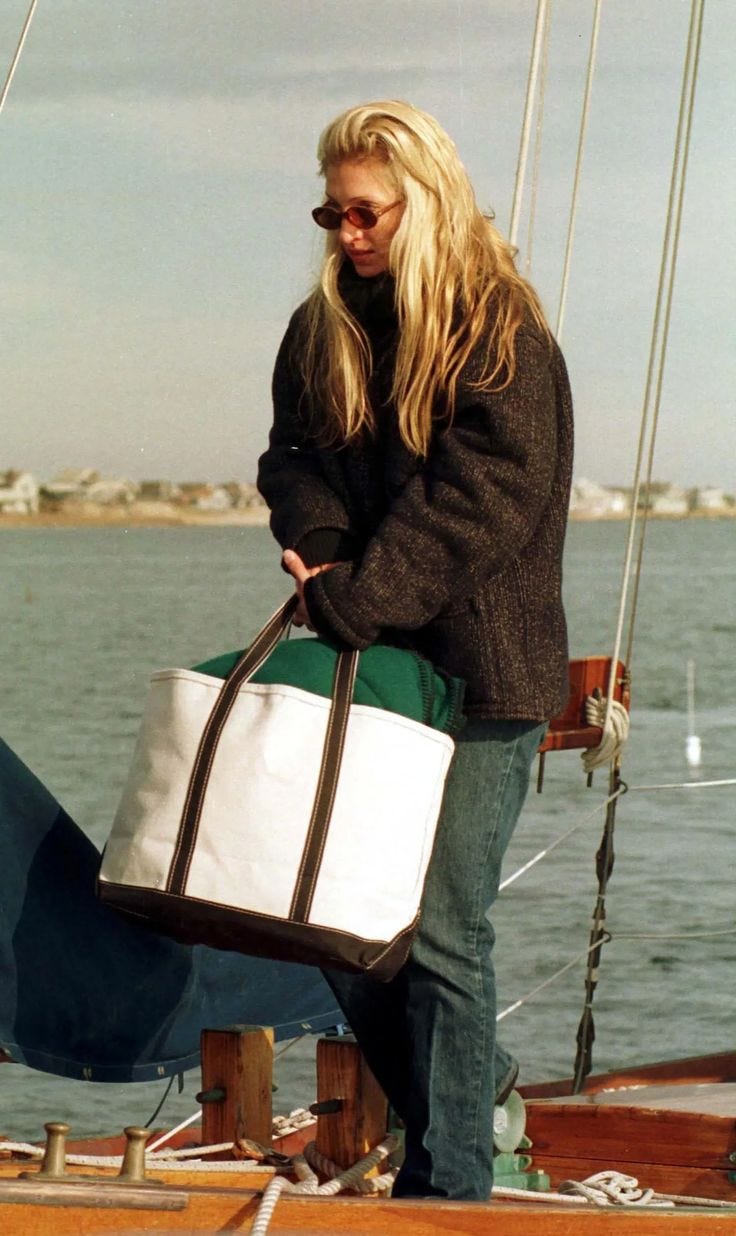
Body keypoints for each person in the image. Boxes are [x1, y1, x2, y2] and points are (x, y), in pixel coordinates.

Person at [257, 99, 573, 1201]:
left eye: (365, 214)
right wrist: (326, 551)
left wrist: (363, 594)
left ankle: (452, 1191)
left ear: (423, 203)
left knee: (443, 925)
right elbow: (290, 457)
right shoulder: (324, 327)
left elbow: (486, 493)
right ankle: (471, 1107)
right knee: (342, 927)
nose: (345, 234)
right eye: (330, 212)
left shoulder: (500, 329)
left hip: (487, 677)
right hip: (373, 667)